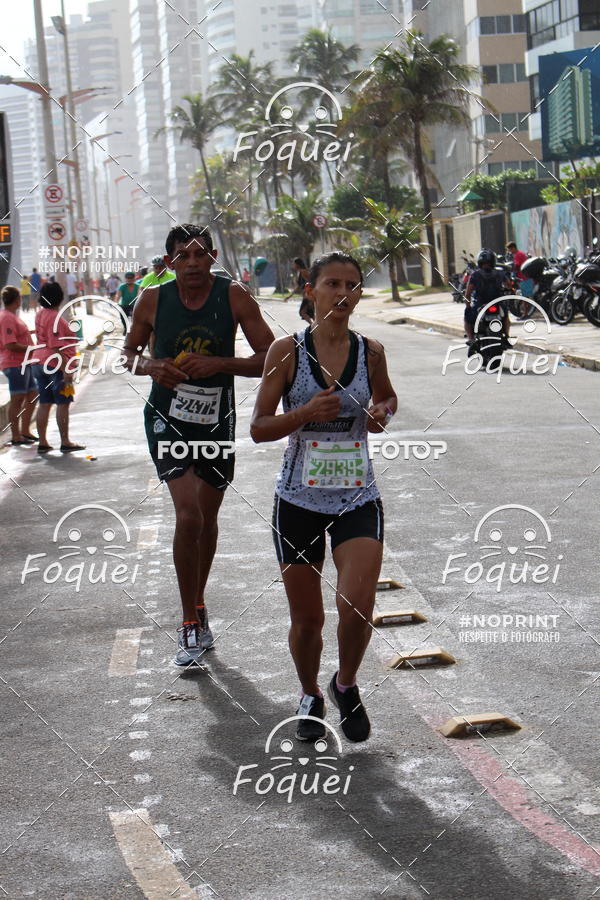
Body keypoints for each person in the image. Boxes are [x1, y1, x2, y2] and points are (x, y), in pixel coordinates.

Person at [251, 251, 397, 743]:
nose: (343, 293)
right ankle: (310, 691)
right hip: (298, 500)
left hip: (358, 495)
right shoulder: (284, 353)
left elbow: (387, 396)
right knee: (308, 618)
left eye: (352, 285)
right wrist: (305, 412)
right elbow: (259, 427)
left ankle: (346, 684)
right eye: (332, 283)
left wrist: (381, 413)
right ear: (310, 291)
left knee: (357, 605)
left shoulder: (371, 351)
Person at [123, 224, 275, 666]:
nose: (191, 263)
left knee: (206, 521)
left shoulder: (234, 297)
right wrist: (153, 366)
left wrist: (219, 363)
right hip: (166, 421)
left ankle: (200, 601)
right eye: (182, 256)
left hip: (215, 421)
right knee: (187, 514)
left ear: (212, 257)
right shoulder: (152, 299)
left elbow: (271, 356)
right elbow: (128, 354)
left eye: (199, 255)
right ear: (169, 263)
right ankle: (189, 621)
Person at [32, 281, 86, 454]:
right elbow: (56, 347)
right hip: (55, 365)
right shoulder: (55, 318)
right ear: (59, 297)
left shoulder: (40, 314)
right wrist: (67, 371)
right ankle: (65, 441)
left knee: (45, 403)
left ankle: (43, 442)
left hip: (39, 362)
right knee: (63, 404)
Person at [0, 286, 38, 444]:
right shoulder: (7, 317)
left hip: (24, 362)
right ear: (17, 299)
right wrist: (33, 348)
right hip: (15, 363)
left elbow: (19, 336)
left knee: (32, 394)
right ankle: (16, 435)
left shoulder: (12, 316)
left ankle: (25, 430)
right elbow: (10, 344)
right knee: (17, 398)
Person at [464, 248, 510, 343]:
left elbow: (468, 293)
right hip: (497, 303)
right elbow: (508, 285)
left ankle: (471, 338)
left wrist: (468, 306)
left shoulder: (475, 275)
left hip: (480, 303)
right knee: (505, 317)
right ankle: (507, 336)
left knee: (467, 318)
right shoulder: (500, 273)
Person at [284, 257, 314, 324]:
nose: (293, 265)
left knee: (303, 312)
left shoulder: (303, 271)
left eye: (294, 264)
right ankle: (316, 327)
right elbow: (297, 287)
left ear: (298, 264)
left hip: (308, 295)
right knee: (310, 313)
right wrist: (289, 297)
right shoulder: (299, 272)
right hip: (306, 295)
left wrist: (308, 292)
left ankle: (314, 327)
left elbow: (310, 282)